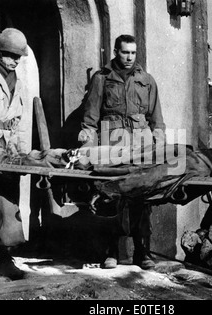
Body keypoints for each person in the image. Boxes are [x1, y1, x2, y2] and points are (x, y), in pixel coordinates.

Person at [78, 34, 166, 270]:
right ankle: (112, 252)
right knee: (112, 196)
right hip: (112, 145)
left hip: (141, 145)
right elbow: (90, 120)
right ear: (116, 51)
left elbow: (156, 119)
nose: (129, 57)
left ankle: (142, 252)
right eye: (125, 52)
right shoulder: (101, 79)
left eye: (133, 53)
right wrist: (88, 148)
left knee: (142, 196)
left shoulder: (146, 80)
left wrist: (158, 145)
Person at [0, 28, 29, 280]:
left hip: (9, 149)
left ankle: (5, 258)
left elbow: (19, 120)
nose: (14, 60)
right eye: (10, 55)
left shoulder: (18, 81)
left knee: (11, 204)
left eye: (18, 57)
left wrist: (21, 153)